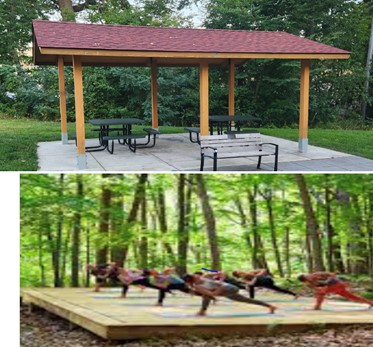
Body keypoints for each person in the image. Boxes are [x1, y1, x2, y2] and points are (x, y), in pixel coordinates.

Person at [183, 273, 276, 316]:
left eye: (195, 276)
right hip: (225, 291)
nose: (196, 276)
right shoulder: (197, 286)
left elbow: (222, 273)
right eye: (193, 277)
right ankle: (270, 306)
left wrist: (220, 282)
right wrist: (218, 289)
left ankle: (202, 311)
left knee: (206, 296)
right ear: (191, 280)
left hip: (230, 288)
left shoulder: (205, 276)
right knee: (247, 300)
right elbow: (211, 293)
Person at [298, 272, 373, 310]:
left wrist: (327, 282)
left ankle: (317, 307)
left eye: (307, 277)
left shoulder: (315, 274)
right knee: (351, 296)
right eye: (306, 279)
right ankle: (370, 302)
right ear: (304, 281)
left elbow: (332, 274)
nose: (308, 278)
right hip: (335, 287)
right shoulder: (309, 283)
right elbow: (316, 288)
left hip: (336, 284)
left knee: (320, 293)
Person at [233, 269, 298, 299]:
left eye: (240, 272)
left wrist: (257, 276)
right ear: (238, 275)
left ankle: (294, 294)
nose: (241, 273)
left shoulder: (251, 272)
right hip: (261, 283)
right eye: (239, 274)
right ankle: (294, 294)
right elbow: (250, 284)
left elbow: (264, 270)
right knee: (278, 289)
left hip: (266, 280)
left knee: (252, 284)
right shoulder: (242, 279)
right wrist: (252, 281)